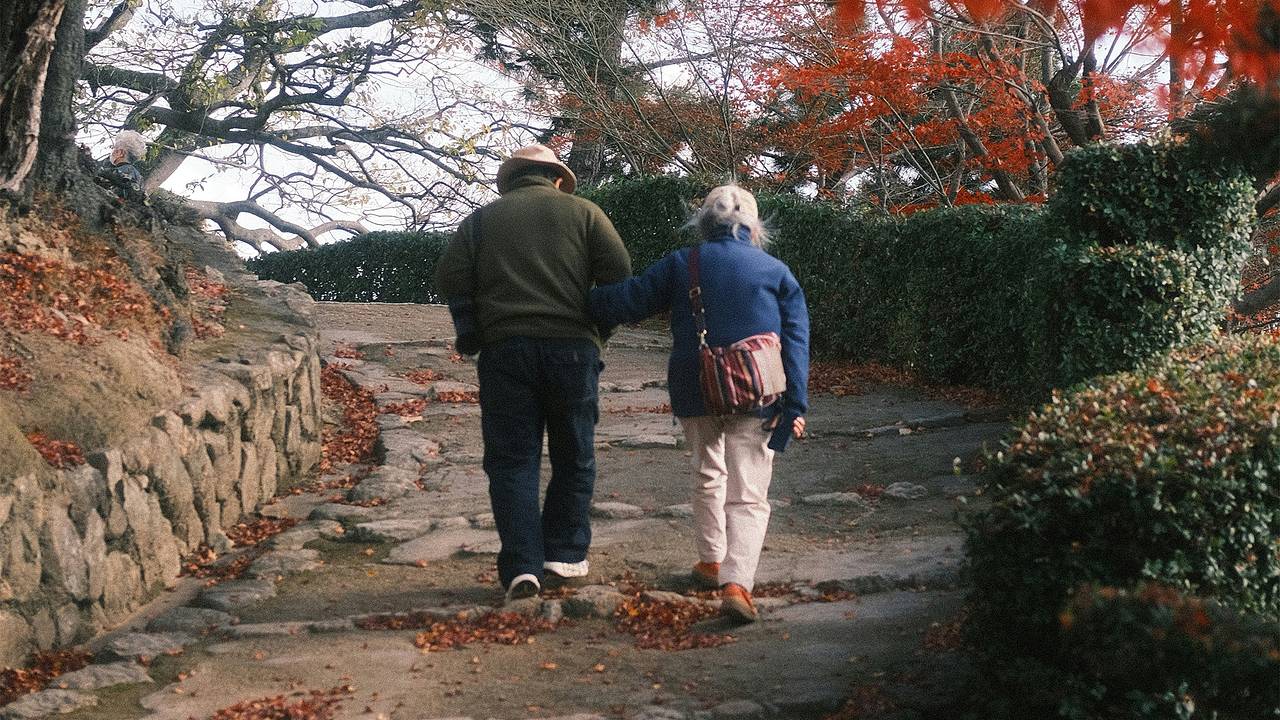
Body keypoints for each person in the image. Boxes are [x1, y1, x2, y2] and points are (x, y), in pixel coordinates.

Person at [589, 185, 809, 623]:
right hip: (758, 388)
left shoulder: (682, 264)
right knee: (748, 492)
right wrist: (796, 404)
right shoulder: (776, 270)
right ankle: (737, 583)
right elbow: (796, 341)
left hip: (697, 384)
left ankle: (712, 560)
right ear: (753, 226)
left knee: (708, 469)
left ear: (704, 223)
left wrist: (567, 292)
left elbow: (627, 302)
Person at [434, 144, 631, 600]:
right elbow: (619, 276)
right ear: (556, 179)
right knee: (574, 454)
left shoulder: (481, 221)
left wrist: (476, 328)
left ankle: (522, 565)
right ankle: (563, 554)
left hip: (506, 353)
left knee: (511, 461)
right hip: (573, 351)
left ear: (513, 180)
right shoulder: (585, 212)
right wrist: (598, 331)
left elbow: (449, 277)